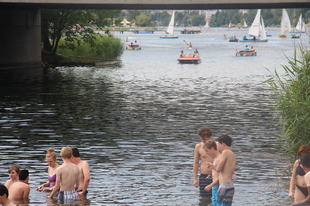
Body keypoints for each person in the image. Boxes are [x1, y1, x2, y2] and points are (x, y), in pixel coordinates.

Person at [207, 134, 236, 206]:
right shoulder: (233, 154)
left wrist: (212, 166)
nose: (218, 148)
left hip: (224, 185)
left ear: (223, 144)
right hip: (230, 185)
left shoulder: (225, 152)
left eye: (219, 145)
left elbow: (218, 169)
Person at [193, 126, 214, 200]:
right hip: (204, 176)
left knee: (217, 198)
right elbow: (196, 163)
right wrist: (195, 178)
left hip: (215, 175)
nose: (203, 141)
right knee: (205, 199)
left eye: (204, 139)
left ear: (210, 137)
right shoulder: (198, 146)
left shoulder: (217, 145)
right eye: (201, 139)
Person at [203, 140, 221, 206]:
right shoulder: (215, 158)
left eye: (206, 151)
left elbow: (221, 176)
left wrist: (211, 185)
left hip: (218, 186)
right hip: (214, 186)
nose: (206, 153)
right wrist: (212, 166)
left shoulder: (219, 158)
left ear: (212, 148)